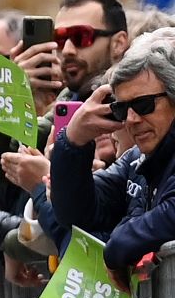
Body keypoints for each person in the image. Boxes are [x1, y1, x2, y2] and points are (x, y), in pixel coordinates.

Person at [48, 45, 175, 282]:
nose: (132, 119)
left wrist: (117, 246)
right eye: (122, 109)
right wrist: (73, 141)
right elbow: (77, 214)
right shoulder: (135, 159)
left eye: (144, 105)